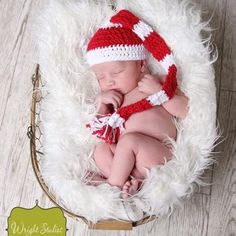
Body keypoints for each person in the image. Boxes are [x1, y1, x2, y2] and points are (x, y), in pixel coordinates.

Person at [84, 9, 189, 199]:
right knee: (101, 149)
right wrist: (101, 104)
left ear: (141, 65)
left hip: (155, 152)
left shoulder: (157, 82)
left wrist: (161, 93)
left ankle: (112, 187)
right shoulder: (114, 99)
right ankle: (130, 184)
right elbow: (103, 130)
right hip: (126, 158)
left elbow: (186, 110)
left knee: (129, 141)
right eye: (101, 77)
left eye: (116, 72)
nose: (109, 81)